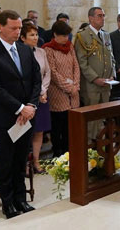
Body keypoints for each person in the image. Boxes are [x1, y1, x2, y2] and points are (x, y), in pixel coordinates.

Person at [0, 10, 41, 218]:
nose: (18, 32)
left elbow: (36, 80)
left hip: (26, 116)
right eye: (13, 28)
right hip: (6, 117)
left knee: (21, 160)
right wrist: (19, 108)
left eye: (19, 28)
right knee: (6, 161)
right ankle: (8, 204)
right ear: (0, 28)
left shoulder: (25, 50)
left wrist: (31, 106)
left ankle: (20, 199)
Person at [75, 7, 116, 141]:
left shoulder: (106, 35)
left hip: (106, 84)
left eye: (103, 15)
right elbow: (82, 62)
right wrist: (95, 78)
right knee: (92, 118)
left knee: (103, 117)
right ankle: (89, 146)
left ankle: (101, 145)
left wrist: (112, 75)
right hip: (91, 85)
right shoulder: (82, 36)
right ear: (91, 18)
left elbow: (111, 58)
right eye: (99, 16)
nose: (102, 18)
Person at [43, 21, 80, 157]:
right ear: (55, 35)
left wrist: (75, 85)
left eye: (68, 35)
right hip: (57, 92)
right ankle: (58, 151)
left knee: (70, 124)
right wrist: (68, 87)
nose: (66, 39)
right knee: (58, 123)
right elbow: (52, 72)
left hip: (73, 92)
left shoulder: (70, 47)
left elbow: (76, 66)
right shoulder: (48, 49)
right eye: (63, 36)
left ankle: (69, 150)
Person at [20, 23, 51, 173]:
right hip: (27, 99)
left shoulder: (41, 52)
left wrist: (43, 91)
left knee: (39, 131)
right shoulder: (19, 52)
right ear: (23, 38)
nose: (35, 38)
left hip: (43, 96)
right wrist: (38, 93)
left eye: (36, 34)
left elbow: (47, 73)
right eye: (31, 35)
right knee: (27, 132)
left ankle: (37, 161)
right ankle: (25, 163)